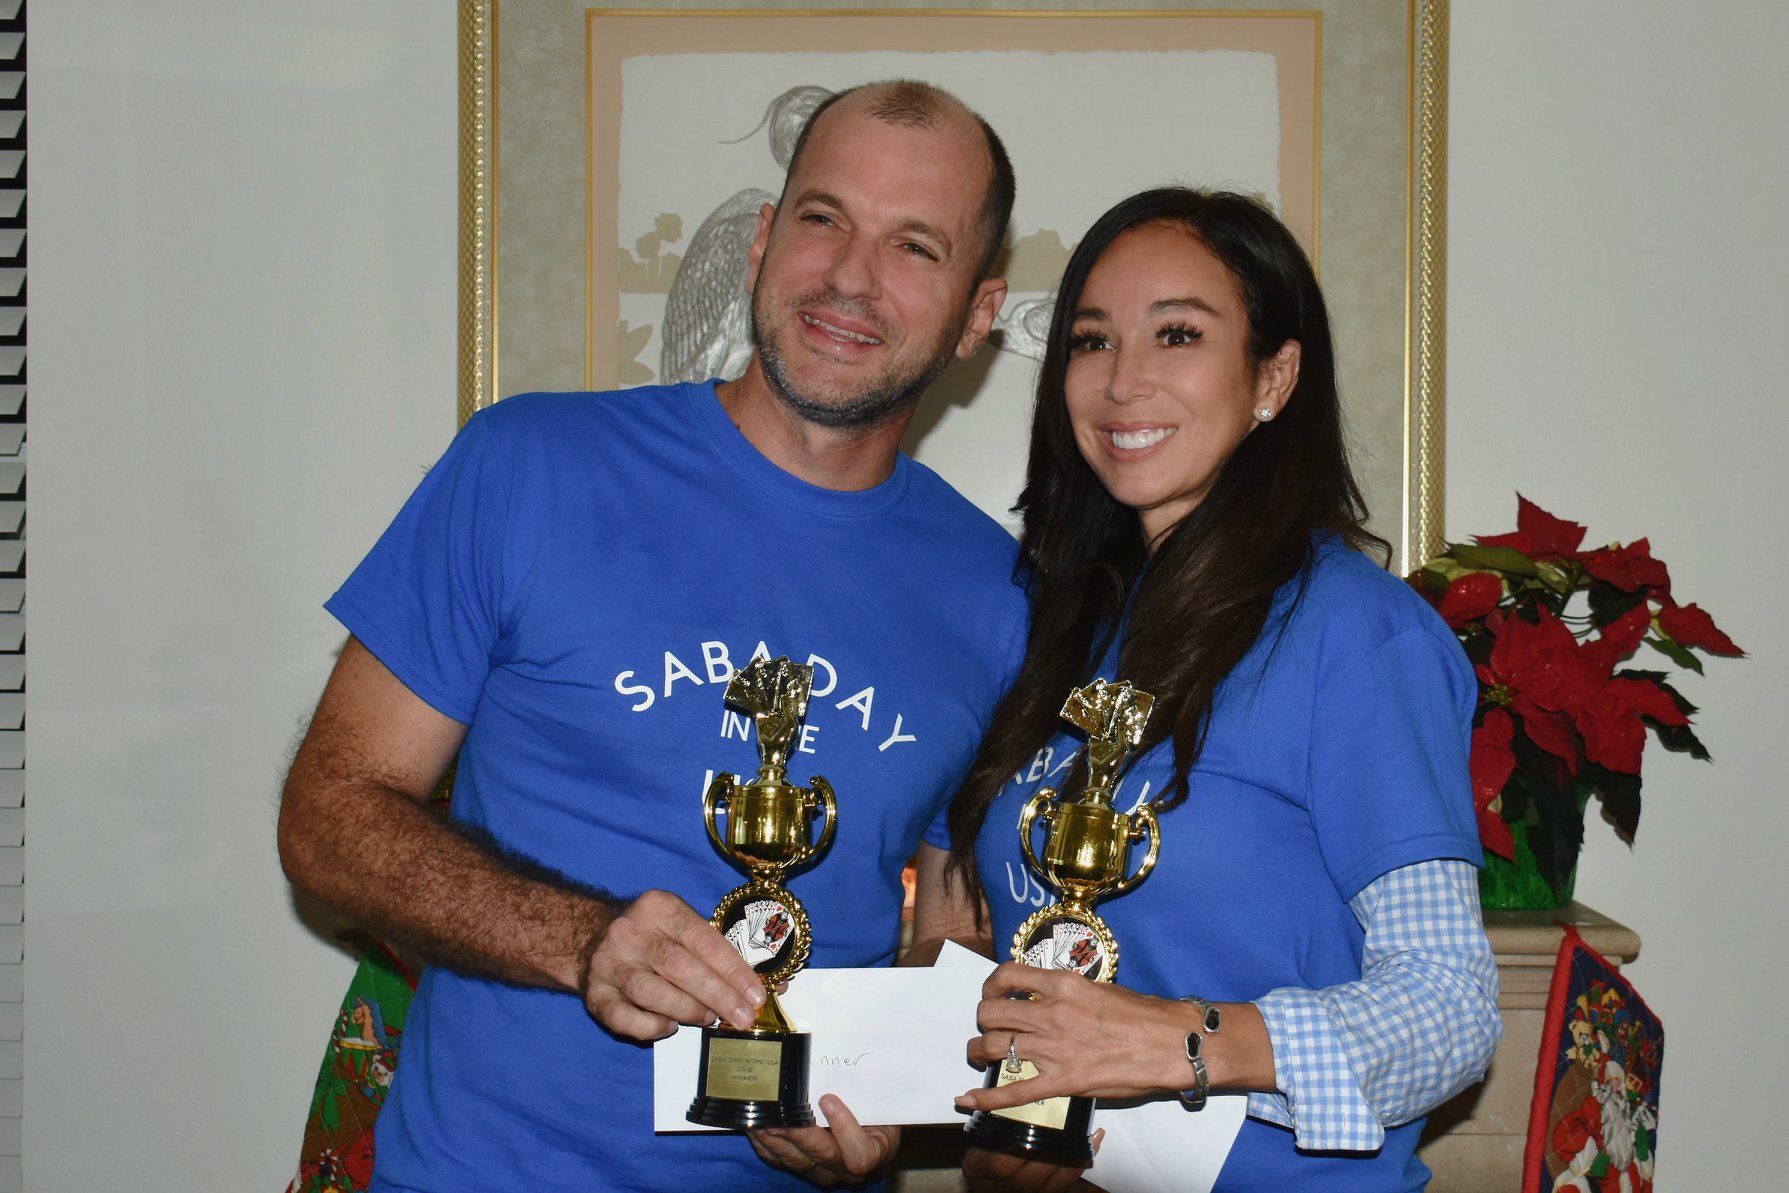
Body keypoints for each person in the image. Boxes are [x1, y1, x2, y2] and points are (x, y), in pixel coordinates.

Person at [278, 80, 1025, 1192]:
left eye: (914, 246)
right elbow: (329, 813)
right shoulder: (527, 466)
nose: (849, 275)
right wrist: (579, 939)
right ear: (764, 241)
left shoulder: (1005, 597)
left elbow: (949, 930)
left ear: (976, 313)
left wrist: (893, 1090)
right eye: (822, 218)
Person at [926, 188, 1502, 1191]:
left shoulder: (1355, 633)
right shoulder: (1054, 624)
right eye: (1092, 340)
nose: (1123, 381)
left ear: (1273, 377)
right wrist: (998, 1101)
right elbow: (991, 936)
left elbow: (1448, 1010)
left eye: (1178, 334)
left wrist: (1183, 1044)